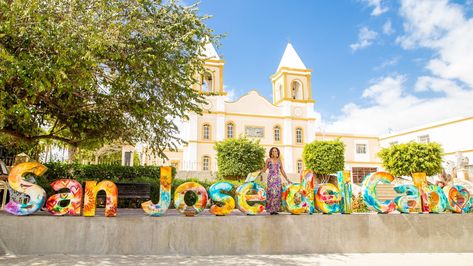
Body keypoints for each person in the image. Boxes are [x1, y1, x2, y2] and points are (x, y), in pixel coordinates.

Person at [260, 147, 292, 215]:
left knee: (277, 193)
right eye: (273, 151)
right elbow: (265, 168)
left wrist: (287, 179)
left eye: (276, 151)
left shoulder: (279, 160)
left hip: (277, 179)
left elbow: (282, 170)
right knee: (271, 193)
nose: (274, 152)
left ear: (278, 152)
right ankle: (271, 209)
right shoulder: (268, 160)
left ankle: (276, 209)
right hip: (271, 179)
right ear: (271, 152)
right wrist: (259, 173)